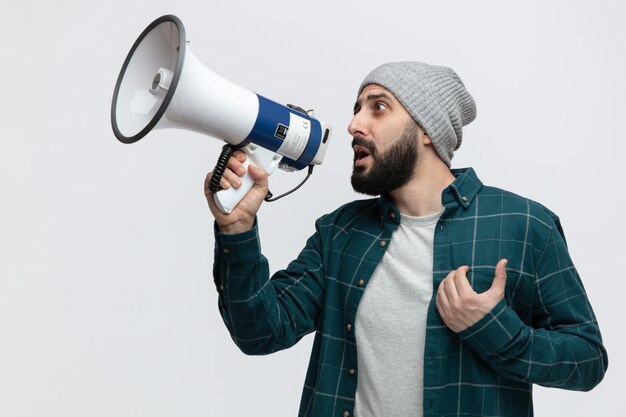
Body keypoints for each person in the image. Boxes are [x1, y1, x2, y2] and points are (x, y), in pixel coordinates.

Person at [204, 62, 608, 417]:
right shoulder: (339, 232)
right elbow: (259, 332)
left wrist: (497, 329)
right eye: (357, 109)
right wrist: (236, 229)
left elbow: (587, 361)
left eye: (378, 107)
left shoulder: (523, 225)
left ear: (427, 130)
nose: (354, 125)